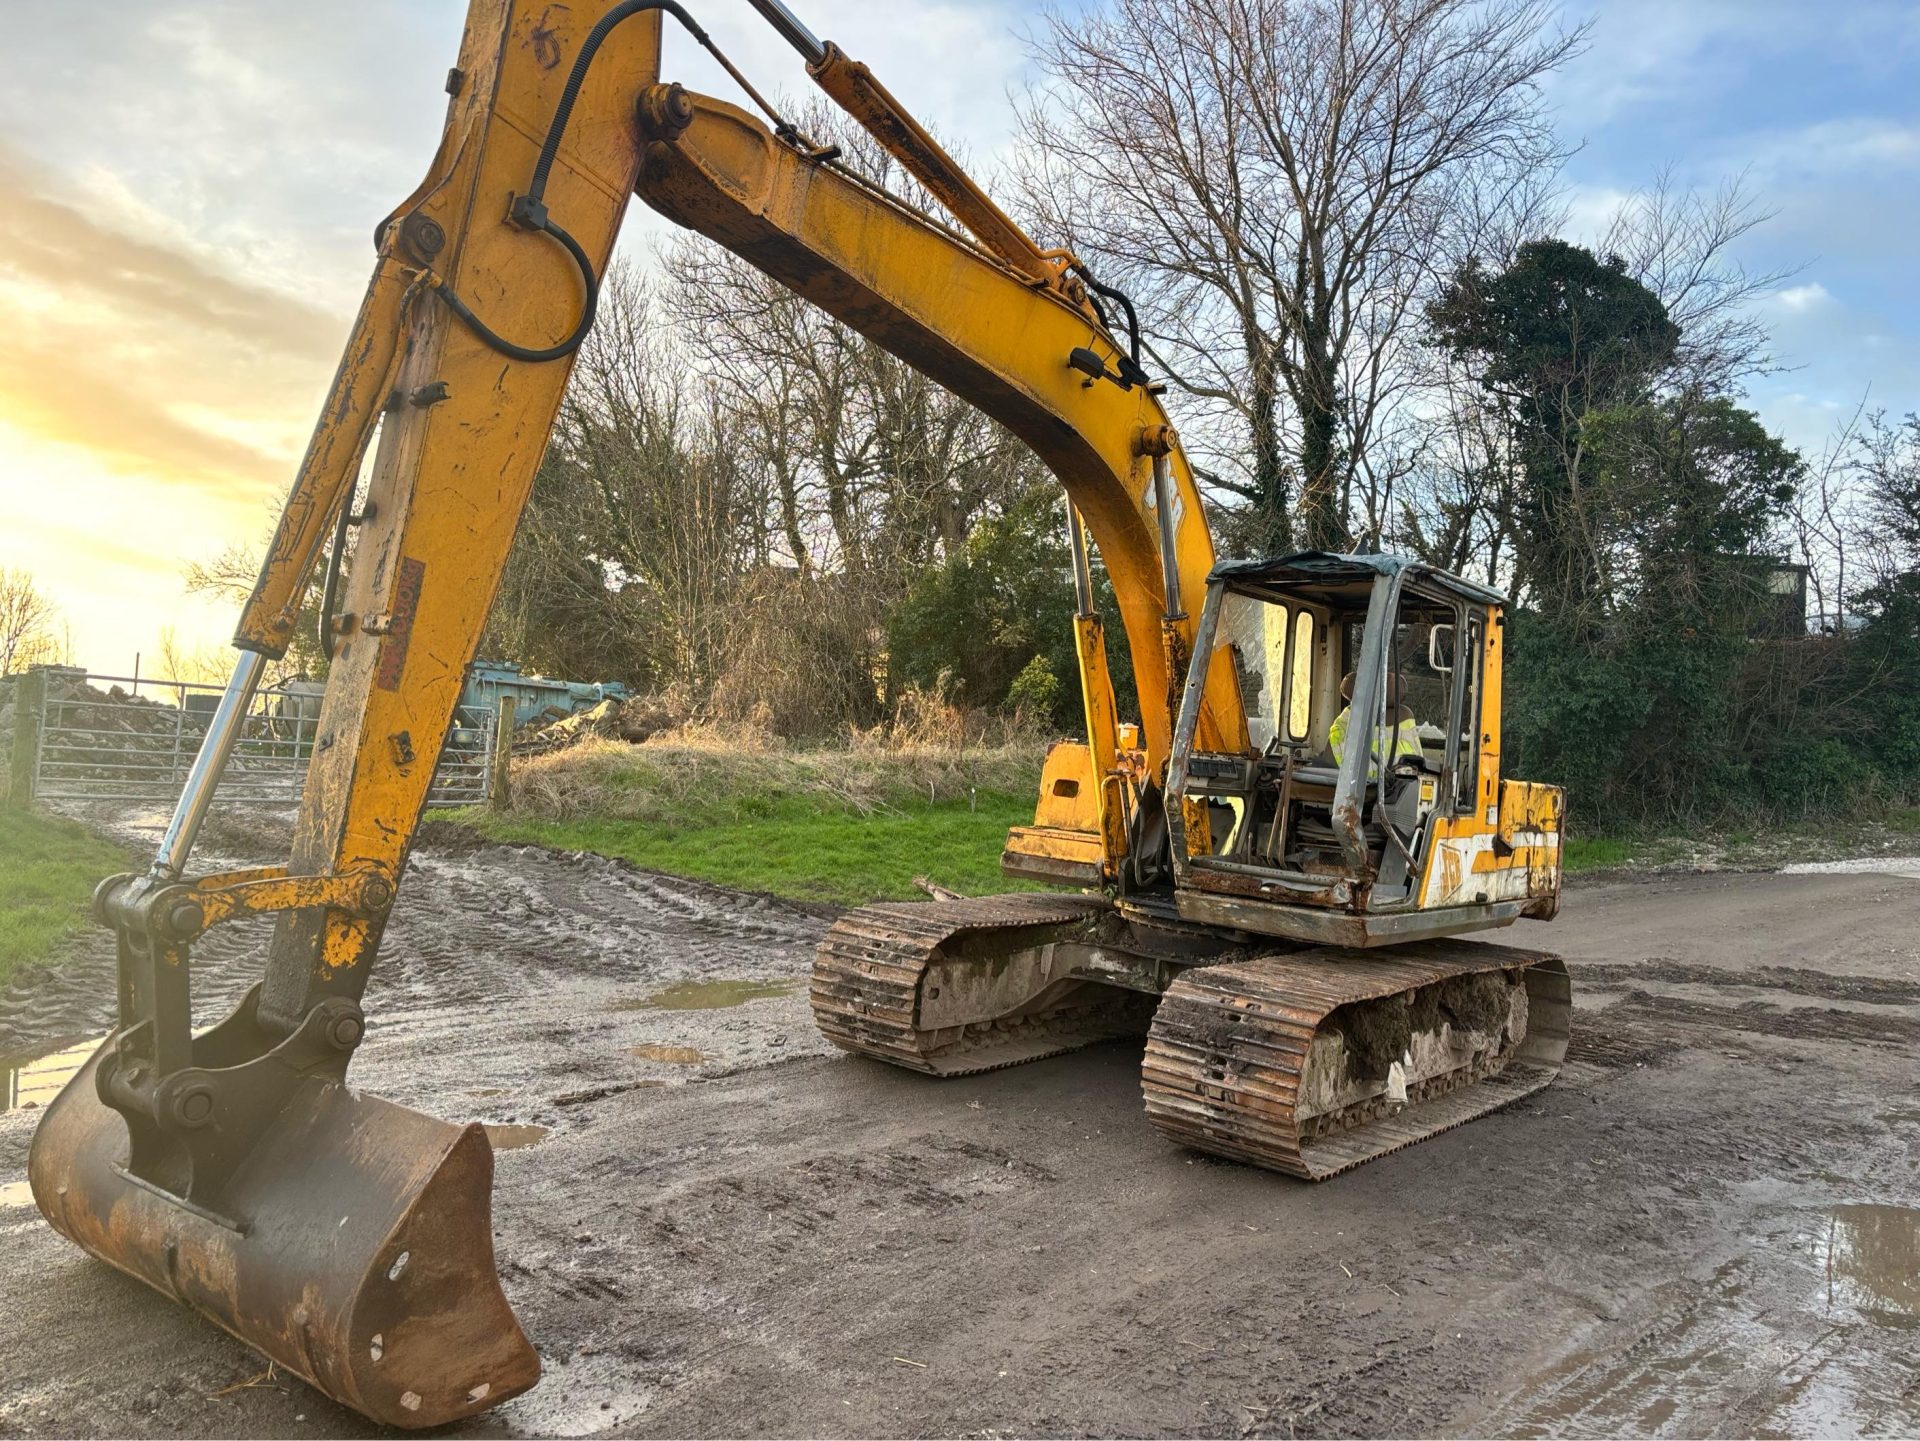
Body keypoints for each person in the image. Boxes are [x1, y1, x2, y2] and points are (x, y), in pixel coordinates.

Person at [1328, 671, 1425, 771]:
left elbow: (1331, 768)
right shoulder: (1407, 717)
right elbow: (1418, 763)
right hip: (1401, 785)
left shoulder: (1344, 722)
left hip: (1359, 785)